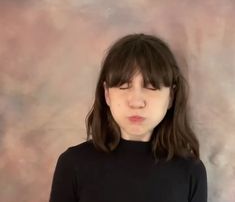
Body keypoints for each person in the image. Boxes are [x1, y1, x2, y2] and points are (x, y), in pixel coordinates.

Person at [49, 33, 207, 202]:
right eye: (124, 86)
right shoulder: (73, 164)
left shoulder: (190, 171)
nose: (136, 102)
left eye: (151, 87)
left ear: (171, 96)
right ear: (107, 94)